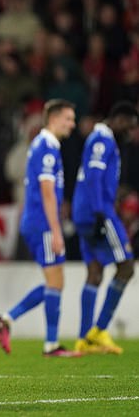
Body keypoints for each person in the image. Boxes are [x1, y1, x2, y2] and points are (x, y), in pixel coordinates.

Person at [0, 99, 81, 357]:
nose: (72, 125)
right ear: (53, 119)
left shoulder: (44, 145)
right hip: (42, 223)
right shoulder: (46, 147)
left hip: (38, 221)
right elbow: (47, 192)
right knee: (55, 281)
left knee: (56, 282)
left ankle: (6, 320)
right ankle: (50, 344)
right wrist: (55, 229)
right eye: (68, 119)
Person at [72, 101, 138, 355]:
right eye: (130, 127)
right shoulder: (103, 139)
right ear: (119, 120)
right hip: (98, 212)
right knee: (127, 267)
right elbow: (94, 177)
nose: (131, 133)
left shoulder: (99, 139)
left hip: (84, 212)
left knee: (95, 273)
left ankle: (83, 338)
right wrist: (101, 212)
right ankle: (99, 330)